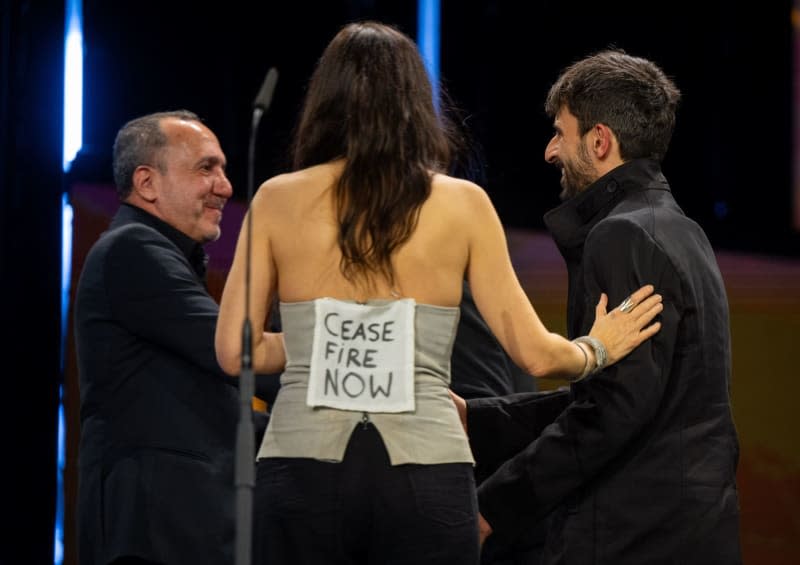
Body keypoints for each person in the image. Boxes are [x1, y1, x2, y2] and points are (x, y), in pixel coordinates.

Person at [214, 23, 662, 565]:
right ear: (415, 104)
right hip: (425, 478)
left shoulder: (276, 200)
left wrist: (315, 339)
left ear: (323, 101)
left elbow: (234, 350)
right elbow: (536, 354)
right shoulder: (462, 204)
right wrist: (599, 347)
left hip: (302, 472)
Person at [454, 49, 742, 564]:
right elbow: (617, 397)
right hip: (681, 533)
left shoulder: (621, 236)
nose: (549, 151)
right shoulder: (682, 231)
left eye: (560, 132)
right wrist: (479, 419)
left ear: (600, 140)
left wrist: (493, 508)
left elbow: (609, 412)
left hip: (635, 537)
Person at [73, 109, 279, 565]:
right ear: (147, 183)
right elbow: (235, 356)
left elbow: (202, 401)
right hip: (151, 533)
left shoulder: (163, 255)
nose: (225, 186)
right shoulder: (133, 250)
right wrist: (335, 357)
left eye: (223, 169)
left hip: (180, 526)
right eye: (206, 168)